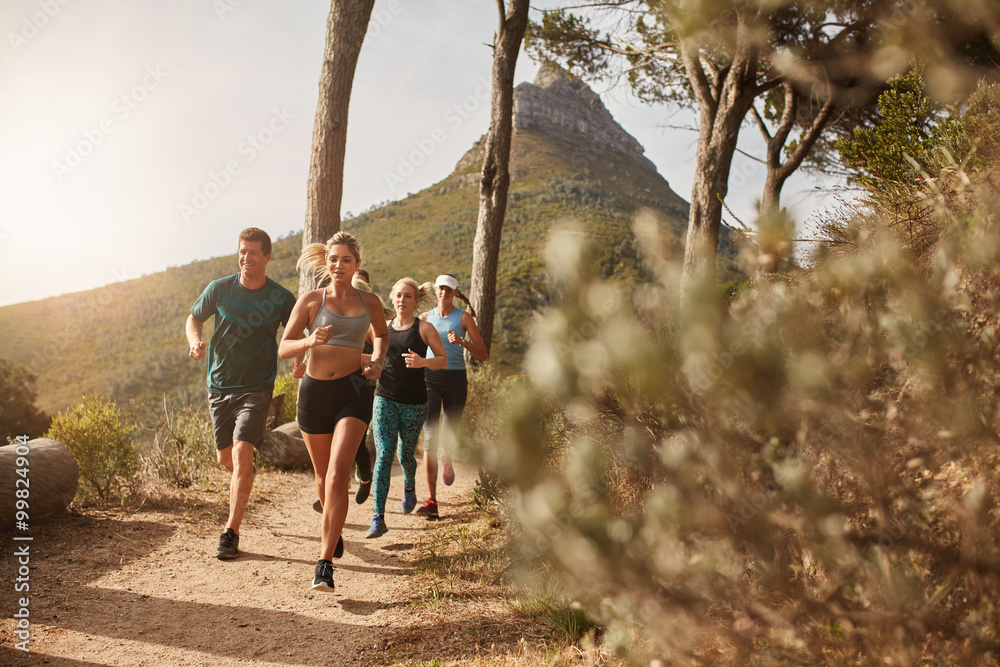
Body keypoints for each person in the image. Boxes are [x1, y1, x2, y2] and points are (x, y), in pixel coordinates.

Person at [278, 231, 388, 592]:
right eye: (333, 259)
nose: (338, 265)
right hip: (314, 395)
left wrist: (376, 362)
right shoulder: (311, 300)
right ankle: (333, 528)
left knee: (340, 475)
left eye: (346, 260)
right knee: (324, 479)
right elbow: (284, 347)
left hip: (353, 392)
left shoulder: (369, 301)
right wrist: (310, 341)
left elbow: (382, 336)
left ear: (357, 264)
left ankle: (323, 565)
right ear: (326, 263)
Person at [186, 227, 296, 560]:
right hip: (219, 384)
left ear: (267, 257)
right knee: (228, 459)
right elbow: (194, 318)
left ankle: (231, 531)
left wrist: (300, 361)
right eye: (242, 251)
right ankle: (245, 475)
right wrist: (194, 342)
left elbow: (294, 335)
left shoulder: (280, 298)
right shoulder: (219, 289)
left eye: (252, 252)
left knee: (242, 450)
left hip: (257, 387)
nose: (246, 257)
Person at [366, 278, 447, 538]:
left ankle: (410, 487)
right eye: (398, 295)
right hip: (385, 398)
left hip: (415, 403)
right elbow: (370, 354)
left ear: (415, 300)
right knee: (384, 455)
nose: (402, 300)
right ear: (392, 298)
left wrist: (423, 361)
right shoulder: (381, 329)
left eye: (408, 296)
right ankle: (378, 517)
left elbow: (443, 359)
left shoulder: (424, 328)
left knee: (405, 455)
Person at [416, 274, 488, 518]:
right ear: (435, 290)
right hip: (430, 379)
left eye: (448, 289)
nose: (444, 293)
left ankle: (448, 456)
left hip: (456, 379)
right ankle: (431, 500)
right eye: (440, 288)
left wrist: (462, 342)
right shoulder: (426, 318)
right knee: (430, 437)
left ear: (456, 292)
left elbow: (483, 354)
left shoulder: (463, 318)